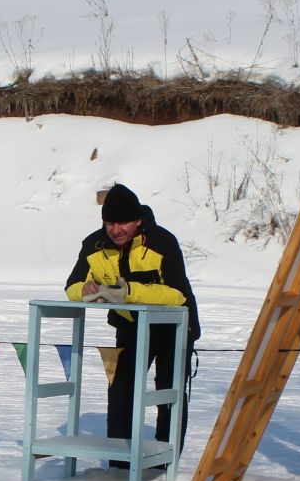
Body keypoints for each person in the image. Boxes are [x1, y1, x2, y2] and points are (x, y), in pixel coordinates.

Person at [63, 183, 200, 456]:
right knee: (120, 395)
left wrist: (129, 293)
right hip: (129, 328)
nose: (116, 230)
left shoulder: (162, 242)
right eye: (110, 222)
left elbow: (178, 295)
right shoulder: (93, 244)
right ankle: (119, 462)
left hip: (174, 328)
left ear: (138, 220)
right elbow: (71, 287)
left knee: (168, 395)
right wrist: (85, 291)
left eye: (123, 222)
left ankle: (164, 462)